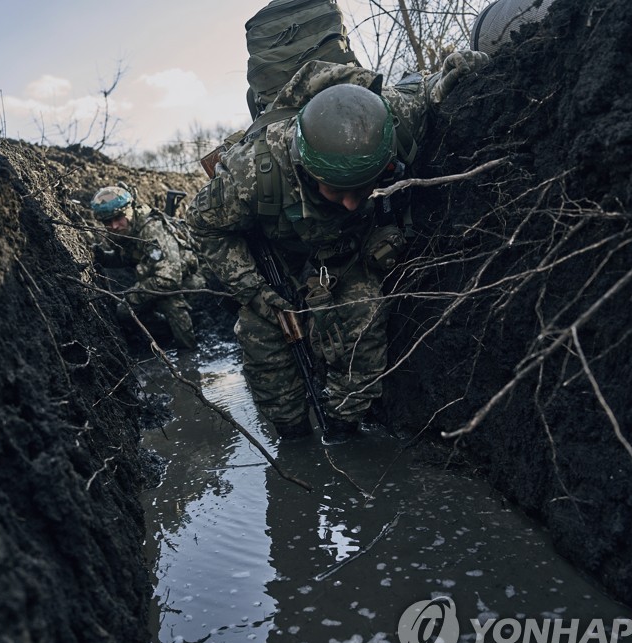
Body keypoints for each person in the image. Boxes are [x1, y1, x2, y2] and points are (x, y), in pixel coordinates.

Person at [186, 52, 488, 441]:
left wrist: (452, 74)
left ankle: (344, 430)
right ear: (305, 167)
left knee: (364, 318)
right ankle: (293, 438)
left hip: (349, 256)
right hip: (282, 265)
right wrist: (258, 293)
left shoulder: (391, 121)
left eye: (362, 189)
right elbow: (203, 226)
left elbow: (427, 89)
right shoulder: (252, 174)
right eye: (337, 191)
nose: (350, 203)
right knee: (263, 344)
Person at [91, 184, 203, 349]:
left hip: (189, 281)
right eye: (107, 222)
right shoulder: (126, 229)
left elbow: (169, 280)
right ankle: (166, 334)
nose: (114, 226)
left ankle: (189, 352)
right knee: (124, 312)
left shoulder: (151, 229)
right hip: (157, 278)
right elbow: (128, 258)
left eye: (118, 218)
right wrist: (104, 258)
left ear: (130, 209)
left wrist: (133, 295)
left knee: (169, 301)